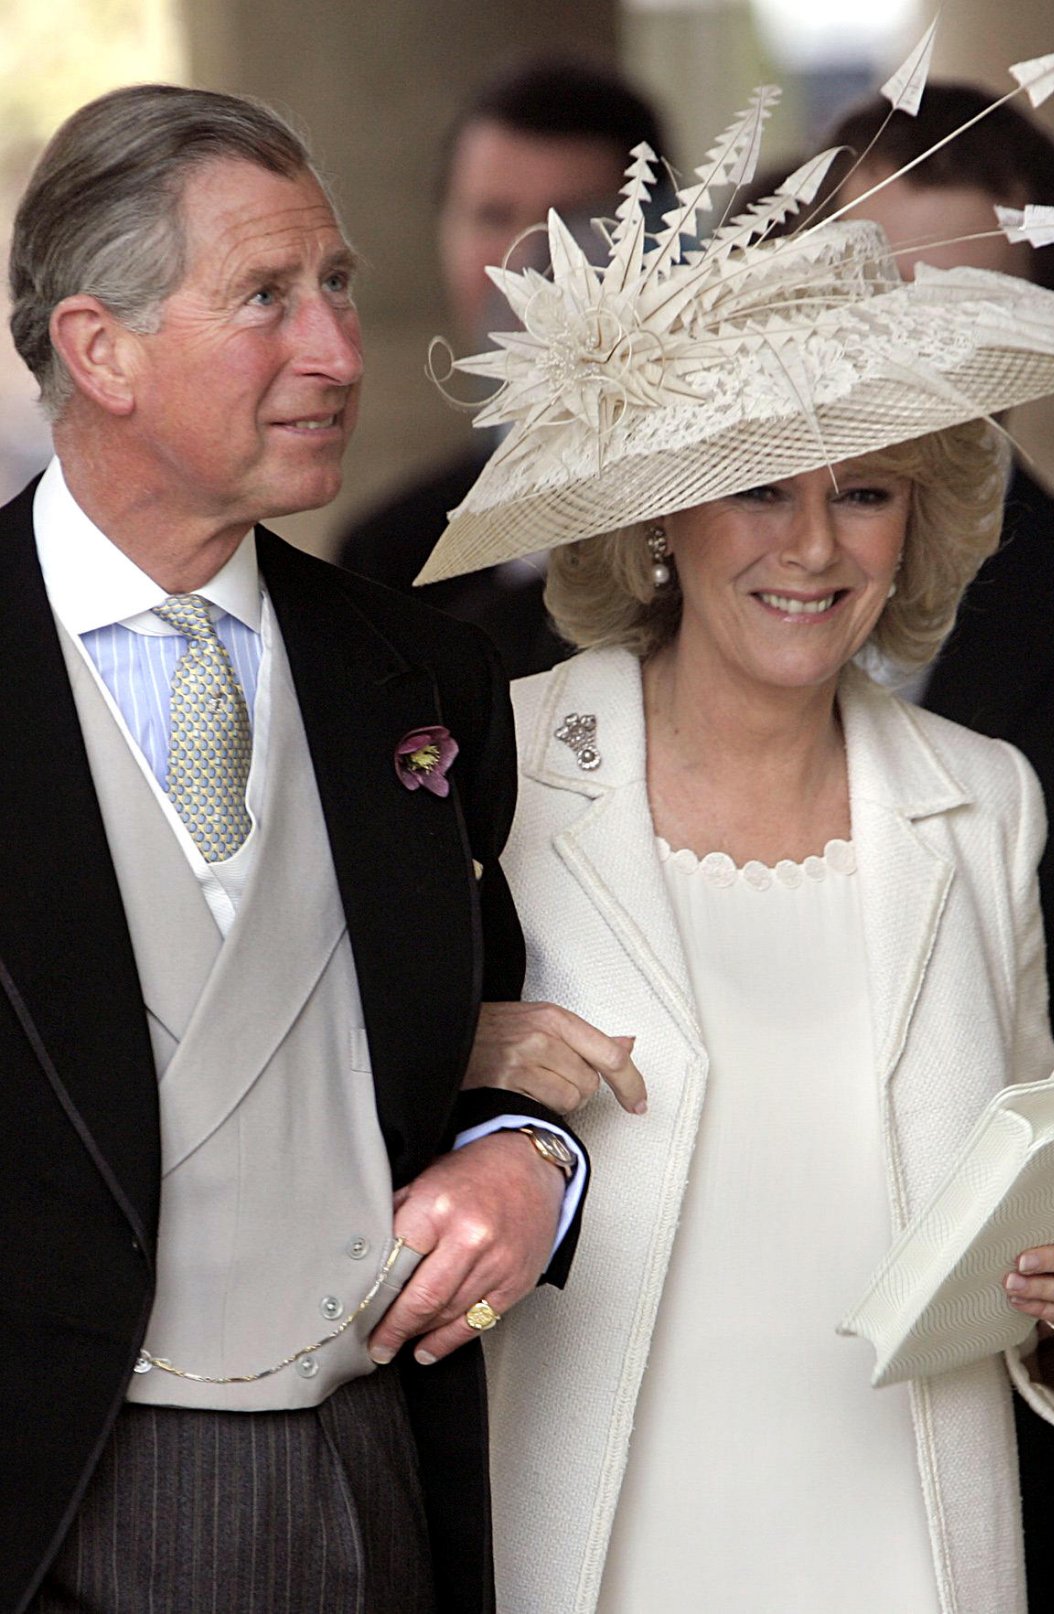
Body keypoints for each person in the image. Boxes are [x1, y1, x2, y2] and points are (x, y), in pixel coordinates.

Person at [414, 70, 1054, 1613]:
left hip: (904, 1532)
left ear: (920, 524)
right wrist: (457, 1040)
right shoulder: (503, 764)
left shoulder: (987, 800)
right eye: (755, 485)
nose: (812, 545)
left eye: (868, 493)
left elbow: (1026, 1215)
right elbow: (333, 1110)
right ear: (660, 519)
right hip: (597, 1532)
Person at [0, 83, 605, 1613]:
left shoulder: (432, 674)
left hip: (373, 1473)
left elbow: (496, 1046)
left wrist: (533, 1163)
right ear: (97, 348)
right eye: (266, 297)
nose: (337, 350)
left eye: (334, 286)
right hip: (39, 1496)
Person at [825, 81, 1054, 1612]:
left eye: (958, 309)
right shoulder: (648, 617)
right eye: (862, 292)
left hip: (1006, 1308)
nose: (900, 349)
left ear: (1040, 343)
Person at [337, 57, 667, 677]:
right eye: (492, 216)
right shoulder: (387, 556)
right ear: (443, 233)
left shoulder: (728, 519)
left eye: (572, 223)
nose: (527, 260)